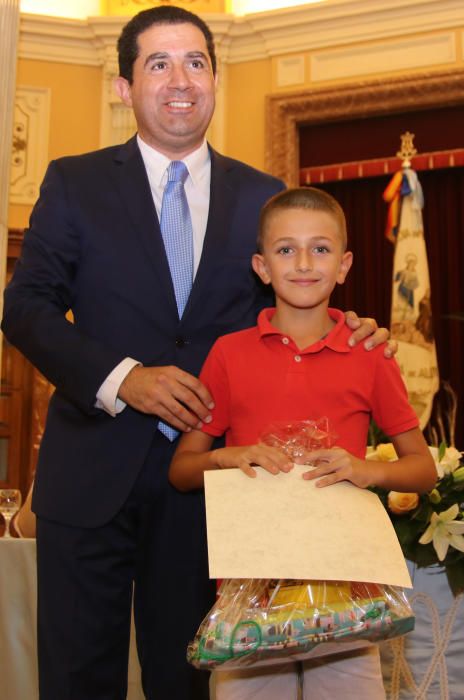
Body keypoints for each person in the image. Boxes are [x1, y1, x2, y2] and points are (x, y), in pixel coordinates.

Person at [1, 7, 394, 700]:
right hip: (90, 474)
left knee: (192, 681)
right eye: (158, 63)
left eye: (195, 62)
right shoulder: (75, 181)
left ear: (214, 77)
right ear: (123, 87)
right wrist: (124, 379)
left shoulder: (262, 196)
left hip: (217, 483)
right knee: (76, 679)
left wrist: (347, 326)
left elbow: (289, 308)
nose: (180, 80)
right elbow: (24, 307)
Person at [169, 187, 437, 700]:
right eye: (286, 249)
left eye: (321, 248)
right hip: (249, 596)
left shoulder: (368, 354)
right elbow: (181, 470)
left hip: (346, 594)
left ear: (344, 264)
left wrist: (365, 470)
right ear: (261, 266)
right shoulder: (229, 354)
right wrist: (227, 456)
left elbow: (422, 469)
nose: (304, 263)